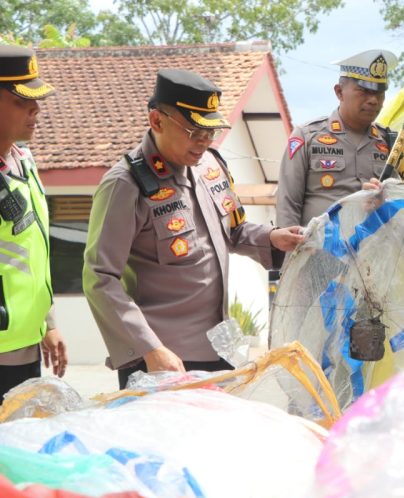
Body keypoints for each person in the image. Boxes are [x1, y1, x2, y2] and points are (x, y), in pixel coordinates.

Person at [83, 69, 303, 389]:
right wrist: (150, 348)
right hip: (161, 358)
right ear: (157, 121)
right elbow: (99, 278)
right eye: (194, 131)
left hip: (218, 347)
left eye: (210, 132)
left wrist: (271, 237)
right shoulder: (125, 185)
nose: (204, 142)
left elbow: (235, 232)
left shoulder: (210, 166)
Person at [277, 49, 404, 228]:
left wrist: (384, 202)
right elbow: (287, 206)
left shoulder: (391, 144)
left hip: (371, 252)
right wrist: (293, 252)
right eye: (364, 91)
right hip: (317, 252)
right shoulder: (307, 137)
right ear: (339, 92)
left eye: (379, 93)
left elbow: (402, 207)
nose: (373, 100)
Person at [0, 45, 67, 401]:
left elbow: (31, 251)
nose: (35, 110)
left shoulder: (23, 160)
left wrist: (48, 322)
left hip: (24, 345)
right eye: (22, 100)